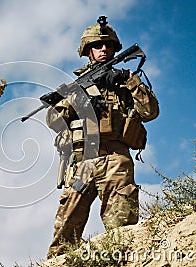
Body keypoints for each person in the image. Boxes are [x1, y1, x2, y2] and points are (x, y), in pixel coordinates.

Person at [46, 16, 159, 258]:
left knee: (123, 233)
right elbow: (52, 121)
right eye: (97, 46)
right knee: (64, 235)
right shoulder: (76, 86)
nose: (104, 49)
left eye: (108, 45)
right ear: (88, 51)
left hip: (116, 160)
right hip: (81, 164)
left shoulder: (125, 81)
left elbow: (151, 112)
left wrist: (129, 80)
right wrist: (78, 97)